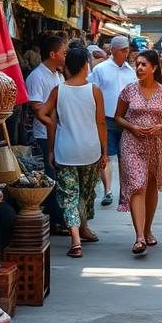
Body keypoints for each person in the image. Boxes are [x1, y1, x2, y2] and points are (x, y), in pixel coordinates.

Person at [36, 46, 108, 259]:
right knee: (85, 194)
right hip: (90, 150)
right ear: (86, 66)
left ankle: (76, 240)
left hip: (65, 150)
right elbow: (101, 122)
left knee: (69, 196)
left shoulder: (59, 90)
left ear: (67, 67)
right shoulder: (94, 90)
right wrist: (105, 151)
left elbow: (41, 112)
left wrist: (53, 127)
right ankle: (82, 230)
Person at [114, 49, 162, 254]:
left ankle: (148, 230)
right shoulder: (128, 90)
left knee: (150, 186)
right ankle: (139, 237)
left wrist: (160, 127)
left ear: (154, 68)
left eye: (143, 65)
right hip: (132, 142)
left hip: (157, 144)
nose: (139, 68)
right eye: (137, 64)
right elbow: (118, 117)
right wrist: (132, 127)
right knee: (137, 184)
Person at [24, 33, 67, 233]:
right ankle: (54, 220)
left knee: (58, 176)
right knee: (50, 177)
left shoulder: (57, 74)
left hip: (58, 132)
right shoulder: (37, 76)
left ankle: (59, 217)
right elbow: (36, 106)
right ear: (52, 54)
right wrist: (51, 123)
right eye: (63, 53)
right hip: (44, 134)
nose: (65, 56)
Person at [89, 35, 137, 206]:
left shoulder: (131, 72)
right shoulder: (100, 70)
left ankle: (124, 192)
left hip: (125, 120)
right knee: (106, 156)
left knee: (125, 158)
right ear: (113, 51)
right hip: (106, 119)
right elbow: (92, 93)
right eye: (123, 50)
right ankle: (108, 191)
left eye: (127, 50)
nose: (127, 53)